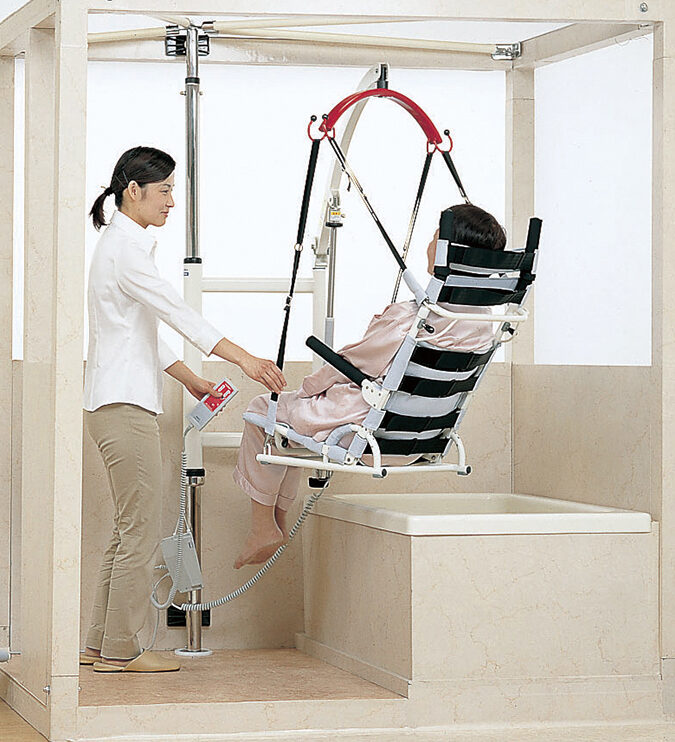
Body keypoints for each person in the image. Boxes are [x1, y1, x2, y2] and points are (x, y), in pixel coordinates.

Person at [81, 146, 286, 673]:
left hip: (115, 401)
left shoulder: (121, 247)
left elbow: (142, 331)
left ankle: (101, 643)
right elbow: (178, 313)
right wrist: (245, 359)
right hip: (123, 406)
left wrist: (192, 380)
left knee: (128, 527)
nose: (172, 202)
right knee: (139, 529)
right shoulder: (125, 251)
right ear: (134, 191)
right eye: (165, 190)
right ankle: (122, 651)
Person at [233, 203, 506, 569]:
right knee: (290, 430)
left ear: (448, 251)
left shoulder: (415, 318)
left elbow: (349, 364)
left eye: (435, 236)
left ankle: (262, 526)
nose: (429, 243)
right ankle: (277, 522)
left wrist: (308, 389)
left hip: (367, 435)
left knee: (264, 411)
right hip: (421, 439)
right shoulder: (486, 322)